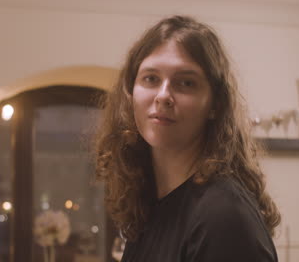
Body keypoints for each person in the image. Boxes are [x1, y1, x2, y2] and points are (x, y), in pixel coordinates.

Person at [94, 15, 281, 261]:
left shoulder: (223, 216)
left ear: (215, 105)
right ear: (130, 95)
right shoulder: (149, 206)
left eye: (186, 83)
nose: (163, 95)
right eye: (151, 78)